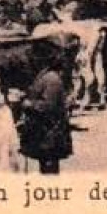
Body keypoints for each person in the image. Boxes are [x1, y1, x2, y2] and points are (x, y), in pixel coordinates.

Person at [20, 39, 73, 174]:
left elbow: (49, 106)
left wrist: (28, 104)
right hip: (45, 131)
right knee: (45, 166)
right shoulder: (44, 75)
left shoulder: (51, 79)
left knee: (49, 167)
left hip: (51, 133)